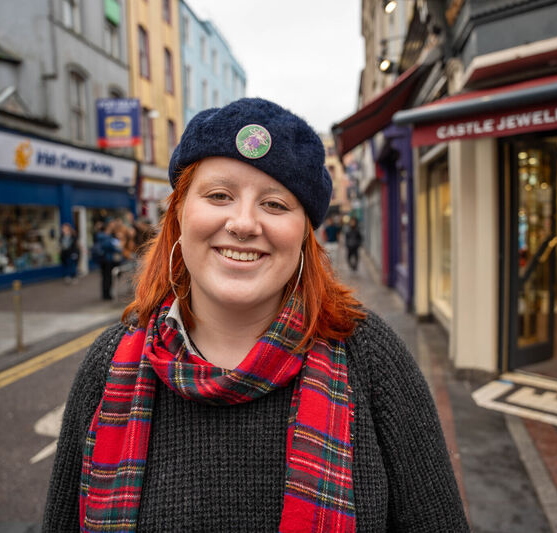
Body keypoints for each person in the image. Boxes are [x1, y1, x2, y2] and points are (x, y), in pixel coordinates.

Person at [43, 98, 468, 532]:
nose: (243, 223)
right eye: (219, 195)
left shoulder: (370, 359)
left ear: (305, 233)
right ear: (179, 213)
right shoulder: (108, 366)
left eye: (275, 204)